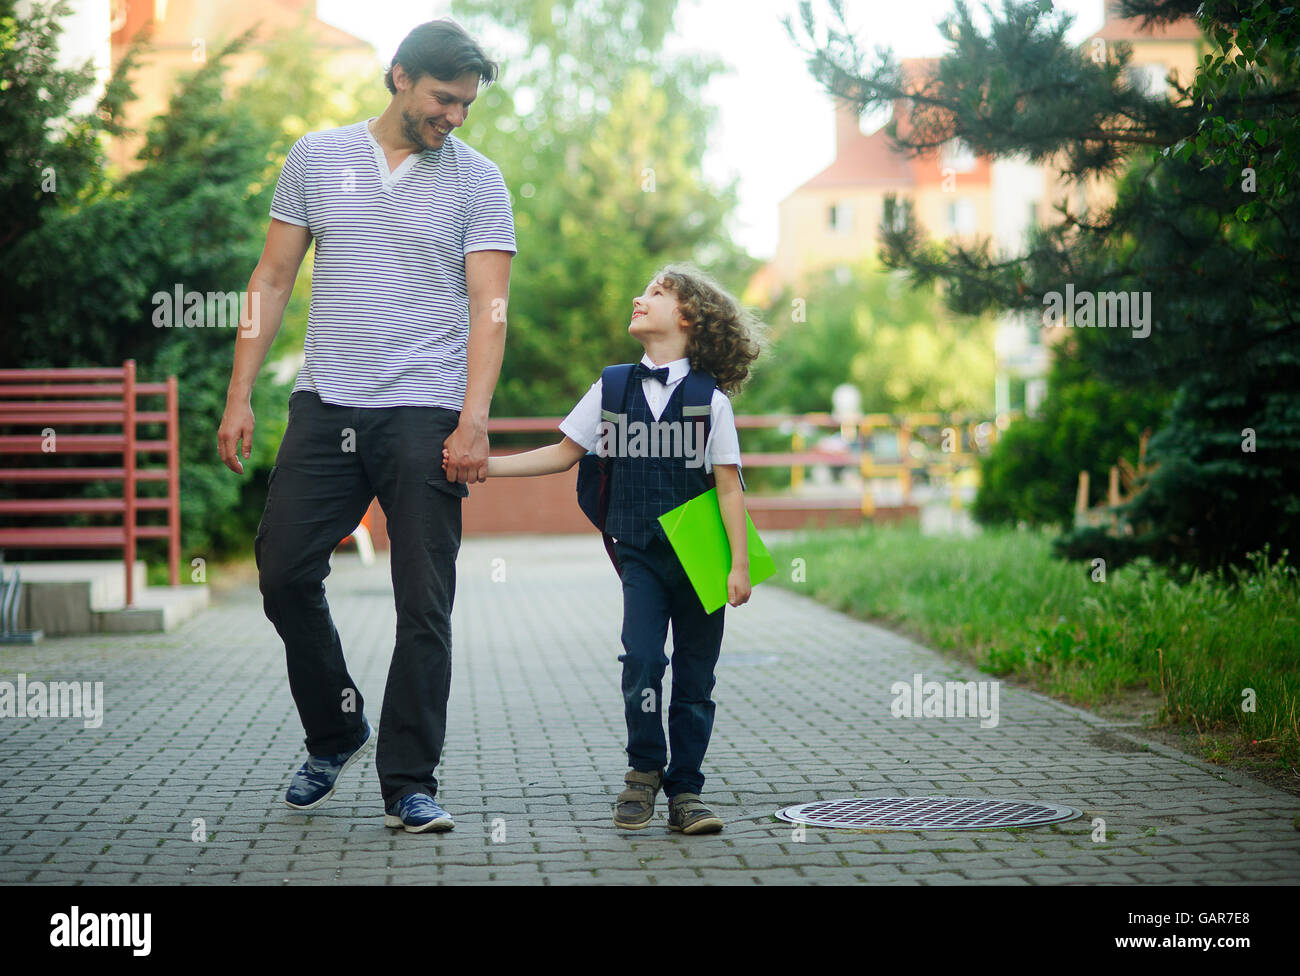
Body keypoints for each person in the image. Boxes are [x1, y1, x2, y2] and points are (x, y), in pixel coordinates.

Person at [216, 20, 515, 834]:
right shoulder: (316, 158)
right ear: (399, 77)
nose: (455, 116)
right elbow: (273, 277)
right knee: (282, 571)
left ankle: (409, 780)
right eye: (443, 99)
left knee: (423, 600)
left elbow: (490, 310)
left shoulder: (479, 181)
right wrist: (241, 394)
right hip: (326, 403)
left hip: (424, 409)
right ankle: (337, 727)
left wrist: (474, 420)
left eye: (466, 105)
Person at [456, 265, 762, 833]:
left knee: (696, 677)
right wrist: (484, 467)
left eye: (656, 293)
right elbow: (563, 453)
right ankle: (644, 771)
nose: (637, 297)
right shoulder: (613, 387)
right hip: (639, 549)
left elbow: (728, 486)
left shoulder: (710, 401)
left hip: (703, 556)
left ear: (688, 317)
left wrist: (739, 565)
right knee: (642, 661)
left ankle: (687, 792)